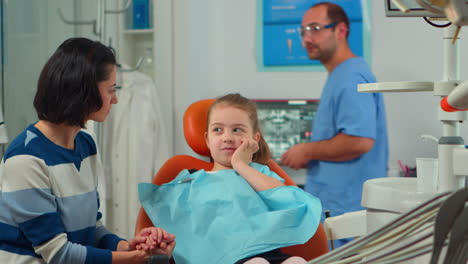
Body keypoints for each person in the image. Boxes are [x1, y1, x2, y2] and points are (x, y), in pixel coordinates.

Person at [0, 37, 175, 263]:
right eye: (111, 89)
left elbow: (92, 229)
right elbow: (58, 254)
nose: (115, 99)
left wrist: (131, 245)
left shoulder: (85, 145)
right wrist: (131, 259)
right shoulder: (25, 159)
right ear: (84, 91)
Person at [138, 93, 322, 264]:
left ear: (254, 139)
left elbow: (295, 204)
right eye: (218, 130)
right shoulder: (189, 182)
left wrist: (241, 165)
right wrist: (156, 237)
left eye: (237, 130)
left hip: (271, 254)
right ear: (208, 139)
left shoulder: (259, 174)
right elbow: (169, 226)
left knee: (296, 262)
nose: (227, 137)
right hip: (225, 260)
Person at [281, 2, 388, 248]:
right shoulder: (341, 75)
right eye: (303, 31)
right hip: (337, 208)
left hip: (346, 212)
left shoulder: (350, 77)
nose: (307, 38)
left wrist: (306, 151)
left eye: (315, 28)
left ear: (340, 30)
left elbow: (359, 140)